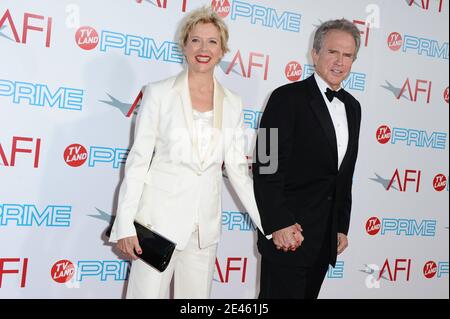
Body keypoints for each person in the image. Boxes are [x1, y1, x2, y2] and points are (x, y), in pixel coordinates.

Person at [108, 6, 265, 299]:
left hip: (203, 230)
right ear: (184, 45)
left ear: (222, 50)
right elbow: (138, 161)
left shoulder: (233, 102)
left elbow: (237, 171)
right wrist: (125, 224)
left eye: (212, 42)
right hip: (157, 226)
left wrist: (268, 225)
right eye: (195, 40)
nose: (203, 49)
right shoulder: (158, 93)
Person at [253, 19, 362, 299]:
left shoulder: (353, 107)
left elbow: (343, 174)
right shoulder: (284, 98)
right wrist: (278, 223)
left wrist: (340, 226)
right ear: (315, 54)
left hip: (324, 240)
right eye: (332, 52)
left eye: (347, 55)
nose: (340, 61)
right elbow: (265, 163)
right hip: (289, 236)